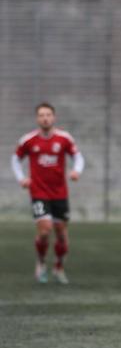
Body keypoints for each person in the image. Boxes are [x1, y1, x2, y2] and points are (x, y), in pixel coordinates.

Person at [11, 103, 84, 284]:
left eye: (48, 114)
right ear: (37, 118)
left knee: (61, 233)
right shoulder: (28, 140)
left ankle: (58, 266)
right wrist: (21, 178)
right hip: (39, 192)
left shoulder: (64, 138)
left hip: (59, 193)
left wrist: (76, 171)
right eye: (42, 115)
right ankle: (41, 263)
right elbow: (15, 159)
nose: (45, 118)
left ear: (54, 117)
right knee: (45, 231)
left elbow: (78, 156)